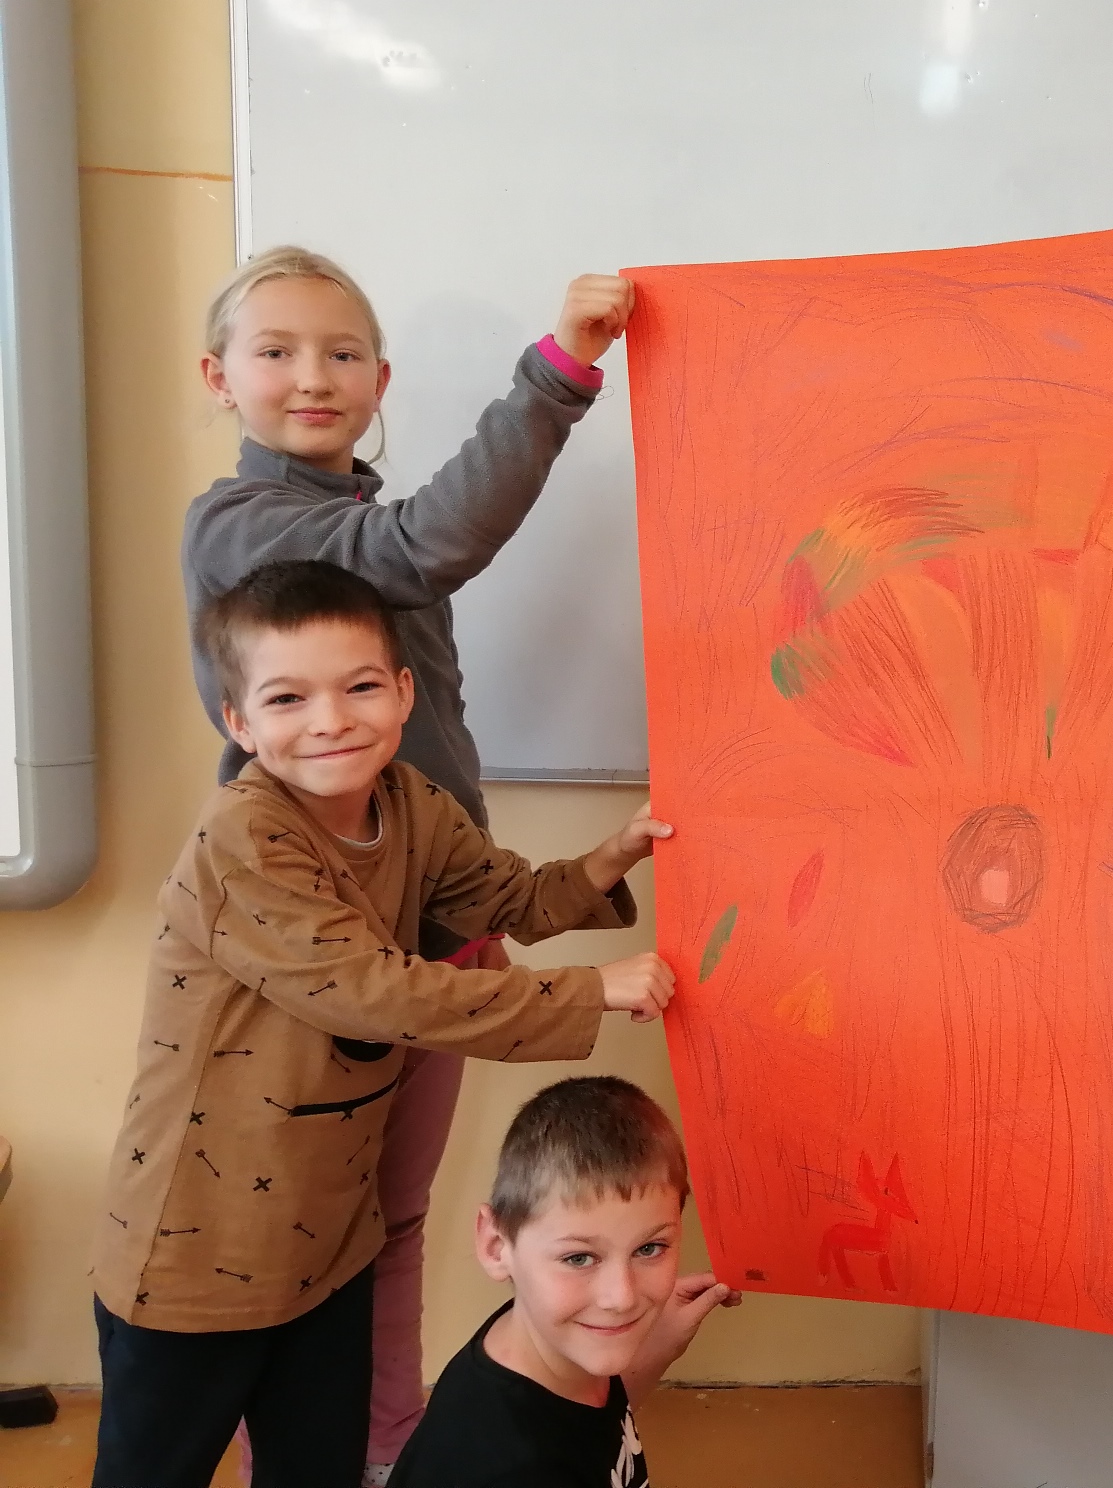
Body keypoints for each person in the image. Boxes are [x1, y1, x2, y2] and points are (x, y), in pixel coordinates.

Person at [183, 245, 634, 1481]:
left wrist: (491, 894)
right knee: (295, 1226)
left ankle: (380, 1451)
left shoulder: (359, 523)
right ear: (219, 377)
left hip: (437, 909)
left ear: (379, 381)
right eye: (275, 351)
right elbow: (424, 545)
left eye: (341, 354)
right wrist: (558, 372)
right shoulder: (244, 524)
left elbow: (429, 699)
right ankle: (289, 1455)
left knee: (391, 1216)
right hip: (327, 942)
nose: (311, 377)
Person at [90, 560, 679, 1488]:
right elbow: (376, 992)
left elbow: (512, 899)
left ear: (405, 692)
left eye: (359, 686)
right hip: (199, 1257)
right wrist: (589, 991)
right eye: (288, 698)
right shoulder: (244, 838)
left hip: (329, 1246)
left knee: (319, 1468)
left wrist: (616, 852)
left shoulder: (410, 802)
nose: (330, 720)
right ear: (240, 723)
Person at [391, 1076, 740, 1488]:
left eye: (649, 1248)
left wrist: (660, 1346)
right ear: (497, 1246)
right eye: (578, 1258)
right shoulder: (506, 1469)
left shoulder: (545, 1342)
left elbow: (589, 1430)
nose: (621, 1297)